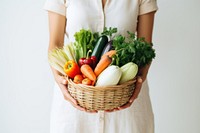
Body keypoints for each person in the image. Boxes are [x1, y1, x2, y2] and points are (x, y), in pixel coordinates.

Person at [44, 0, 158, 133]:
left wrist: (140, 79)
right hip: (75, 99)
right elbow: (56, 44)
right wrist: (59, 80)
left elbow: (145, 46)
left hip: (127, 99)